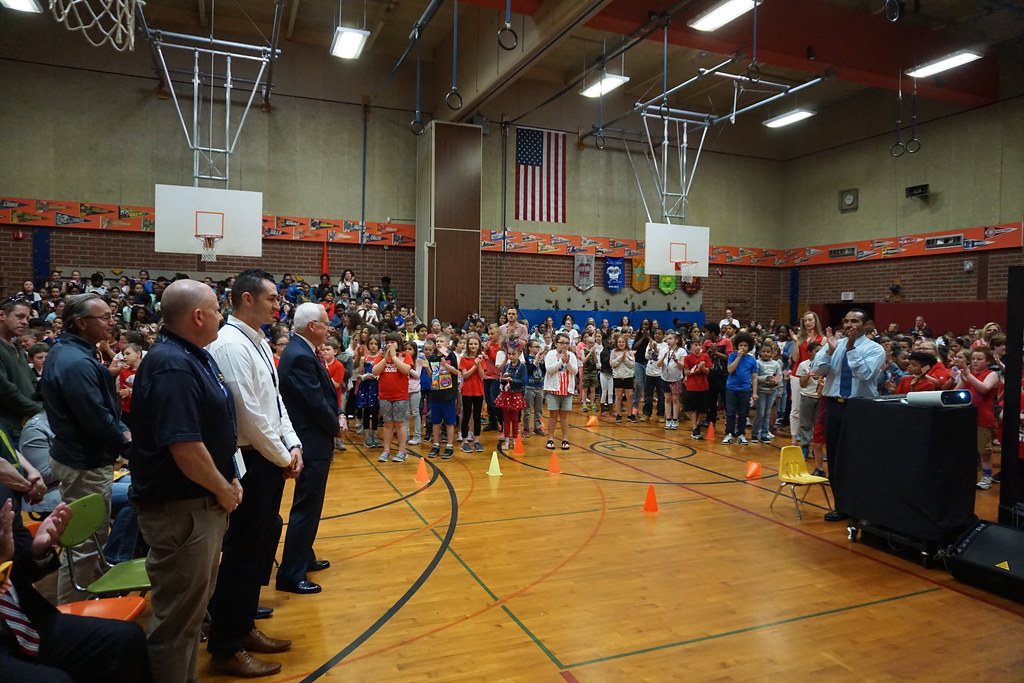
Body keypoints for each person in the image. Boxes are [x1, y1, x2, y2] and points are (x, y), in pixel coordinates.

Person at [128, 279, 241, 683]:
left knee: (191, 616)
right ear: (197, 316)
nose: (221, 316)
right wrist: (223, 487)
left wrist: (229, 477)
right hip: (183, 513)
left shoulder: (192, 356)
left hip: (199, 506)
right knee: (177, 622)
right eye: (216, 309)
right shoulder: (173, 364)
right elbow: (184, 446)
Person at [206, 270, 303, 678]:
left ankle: (243, 627)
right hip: (251, 460)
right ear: (247, 298)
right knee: (243, 555)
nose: (278, 305)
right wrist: (283, 456)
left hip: (269, 457)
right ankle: (226, 646)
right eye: (272, 298)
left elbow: (275, 403)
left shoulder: (257, 339)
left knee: (259, 546)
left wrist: (292, 443)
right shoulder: (229, 344)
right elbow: (248, 415)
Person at [0, 493, 152, 681]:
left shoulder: (2, 497)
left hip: (26, 622)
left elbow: (22, 567)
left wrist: (37, 551)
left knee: (127, 639)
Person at [39, 293, 130, 604]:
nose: (111, 321)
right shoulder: (75, 361)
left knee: (88, 539)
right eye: (103, 317)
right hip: (84, 461)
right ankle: (69, 619)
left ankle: (81, 602)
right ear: (81, 323)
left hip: (78, 455)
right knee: (83, 544)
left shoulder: (72, 352)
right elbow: (95, 418)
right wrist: (126, 443)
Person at [277, 303, 343, 596]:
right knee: (307, 505)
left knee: (310, 503)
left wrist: (338, 413)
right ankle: (291, 573)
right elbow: (314, 401)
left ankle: (304, 555)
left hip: (312, 436)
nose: (330, 328)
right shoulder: (300, 355)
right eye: (326, 323)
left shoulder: (301, 350)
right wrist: (334, 425)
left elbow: (326, 391)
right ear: (313, 326)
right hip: (310, 439)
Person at [811, 308, 886, 522]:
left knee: (858, 457)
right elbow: (817, 371)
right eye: (846, 321)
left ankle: (862, 505)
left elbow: (864, 375)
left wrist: (851, 349)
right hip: (834, 405)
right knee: (835, 456)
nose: (849, 325)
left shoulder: (874, 349)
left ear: (866, 324)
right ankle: (841, 505)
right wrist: (828, 351)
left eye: (855, 321)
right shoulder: (835, 344)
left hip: (859, 407)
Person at [954, 346, 1001, 490]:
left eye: (979, 359)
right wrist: (963, 376)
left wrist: (968, 375)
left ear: (987, 361)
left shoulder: (992, 374)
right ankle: (968, 475)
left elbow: (984, 388)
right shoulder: (969, 374)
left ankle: (987, 477)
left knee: (984, 451)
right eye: (973, 359)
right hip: (967, 417)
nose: (975, 362)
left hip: (983, 417)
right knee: (967, 449)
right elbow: (956, 392)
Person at [0, 299, 42, 447]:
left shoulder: (19, 350)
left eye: (27, 319)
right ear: (2, 315)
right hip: (5, 429)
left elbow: (34, 384)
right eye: (20, 316)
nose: (25, 322)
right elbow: (6, 390)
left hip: (23, 427)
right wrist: (40, 411)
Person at [372, 332, 413, 464]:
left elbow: (406, 370)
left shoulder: (405, 355)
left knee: (399, 423)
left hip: (400, 396)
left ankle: (402, 451)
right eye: (388, 342)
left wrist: (394, 358)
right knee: (388, 424)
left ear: (398, 343)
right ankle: (386, 450)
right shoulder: (381, 356)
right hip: (384, 395)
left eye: (393, 342)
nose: (390, 344)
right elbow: (375, 371)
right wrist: (385, 359)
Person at [426, 334, 460, 459]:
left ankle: (449, 446)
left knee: (449, 422)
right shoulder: (432, 357)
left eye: (441, 341)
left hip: (448, 394)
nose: (439, 343)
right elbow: (431, 375)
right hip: (435, 393)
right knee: (435, 421)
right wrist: (425, 366)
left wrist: (446, 366)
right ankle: (436, 444)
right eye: (437, 341)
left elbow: (457, 372)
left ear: (447, 343)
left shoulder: (451, 355)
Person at [722, 333, 758, 445]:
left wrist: (754, 392)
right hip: (731, 388)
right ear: (737, 346)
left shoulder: (752, 360)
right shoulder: (732, 356)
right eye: (741, 345)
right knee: (730, 412)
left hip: (745, 389)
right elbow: (730, 370)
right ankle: (729, 433)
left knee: (743, 413)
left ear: (749, 347)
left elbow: (754, 377)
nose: (743, 347)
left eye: (745, 345)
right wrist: (738, 357)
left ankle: (741, 434)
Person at [544, 333, 578, 450]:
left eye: (567, 343)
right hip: (554, 389)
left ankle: (565, 439)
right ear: (556, 344)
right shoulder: (550, 354)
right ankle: (550, 439)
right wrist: (561, 362)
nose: (564, 345)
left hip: (567, 390)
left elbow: (574, 371)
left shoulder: (572, 355)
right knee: (553, 415)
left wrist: (567, 362)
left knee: (564, 416)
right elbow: (549, 369)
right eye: (562, 343)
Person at [495, 339, 529, 451]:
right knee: (506, 419)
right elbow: (502, 381)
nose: (511, 356)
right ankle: (506, 439)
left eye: (513, 354)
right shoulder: (507, 366)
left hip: (515, 395)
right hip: (506, 395)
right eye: (509, 354)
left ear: (519, 353)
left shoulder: (522, 366)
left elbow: (523, 381)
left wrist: (512, 380)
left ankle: (515, 439)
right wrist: (504, 379)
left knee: (515, 418)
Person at [459, 334, 485, 453]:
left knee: (477, 417)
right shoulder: (464, 359)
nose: (473, 346)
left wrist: (478, 364)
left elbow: (481, 376)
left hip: (478, 391)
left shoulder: (481, 359)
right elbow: (465, 375)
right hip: (467, 391)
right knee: (467, 415)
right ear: (467, 345)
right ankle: (464, 441)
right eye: (471, 344)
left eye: (475, 344)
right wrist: (474, 365)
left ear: (479, 345)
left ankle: (477, 440)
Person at [753, 341, 783, 443]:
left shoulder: (776, 364)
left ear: (772, 353)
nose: (766, 353)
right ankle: (755, 434)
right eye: (764, 351)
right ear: (760, 352)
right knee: (760, 413)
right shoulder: (757, 363)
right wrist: (765, 378)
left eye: (768, 352)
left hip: (772, 392)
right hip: (761, 391)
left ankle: (764, 433)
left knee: (767, 413)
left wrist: (774, 380)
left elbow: (779, 376)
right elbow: (754, 377)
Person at [657, 331, 686, 430]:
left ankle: (675, 419)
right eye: (667, 339)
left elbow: (683, 366)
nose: (668, 340)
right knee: (667, 399)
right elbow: (658, 364)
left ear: (676, 340)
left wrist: (675, 360)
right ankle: (668, 419)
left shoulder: (681, 351)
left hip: (676, 379)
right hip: (665, 378)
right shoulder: (663, 350)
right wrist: (663, 358)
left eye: (670, 338)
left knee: (675, 399)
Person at [684, 338, 711, 439]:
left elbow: (708, 371)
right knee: (693, 409)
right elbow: (686, 372)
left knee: (703, 410)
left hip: (704, 386)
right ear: (691, 345)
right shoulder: (688, 358)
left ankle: (698, 425)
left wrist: (703, 368)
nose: (698, 347)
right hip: (692, 387)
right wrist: (696, 369)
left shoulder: (705, 356)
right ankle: (695, 428)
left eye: (700, 345)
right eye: (695, 345)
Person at [610, 334, 636, 424]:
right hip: (618, 377)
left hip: (628, 376)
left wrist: (625, 359)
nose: (621, 343)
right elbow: (612, 364)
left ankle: (630, 414)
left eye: (623, 342)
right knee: (618, 396)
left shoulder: (629, 352)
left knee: (630, 396)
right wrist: (620, 358)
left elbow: (632, 365)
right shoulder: (613, 352)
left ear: (626, 343)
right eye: (619, 342)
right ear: (617, 343)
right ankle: (618, 414)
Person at [523, 339, 546, 437]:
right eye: (536, 347)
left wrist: (543, 362)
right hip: (529, 387)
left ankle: (537, 427)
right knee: (527, 410)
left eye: (539, 347)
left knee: (539, 409)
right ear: (530, 348)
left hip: (539, 386)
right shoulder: (526, 359)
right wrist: (536, 360)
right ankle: (526, 428)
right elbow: (529, 370)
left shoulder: (540, 359)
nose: (538, 349)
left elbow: (544, 372)